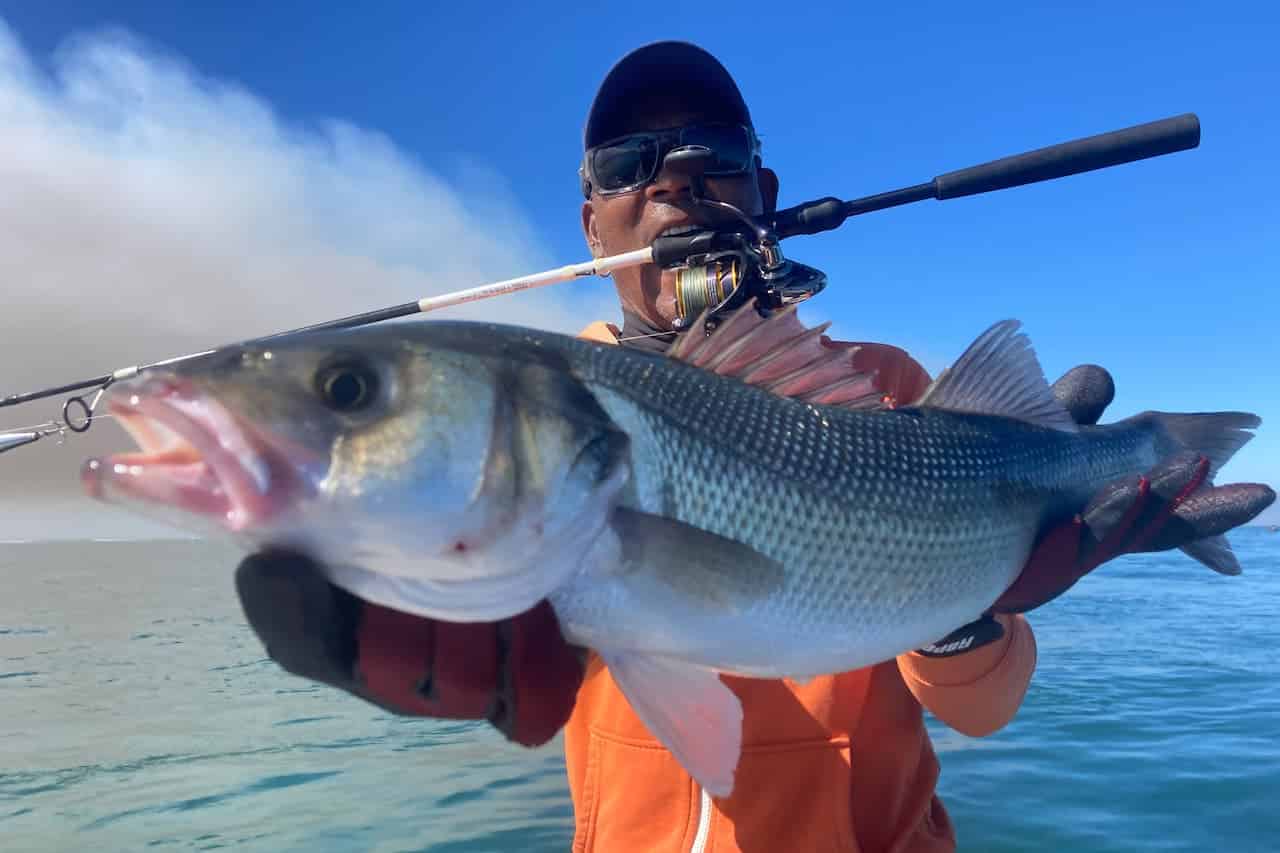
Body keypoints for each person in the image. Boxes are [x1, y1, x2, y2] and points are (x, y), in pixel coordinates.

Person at [233, 42, 1264, 852]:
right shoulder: (537, 405)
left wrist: (961, 617)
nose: (673, 177)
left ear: (761, 198)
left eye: (710, 158)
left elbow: (986, 714)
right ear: (592, 222)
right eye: (624, 163)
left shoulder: (883, 389)